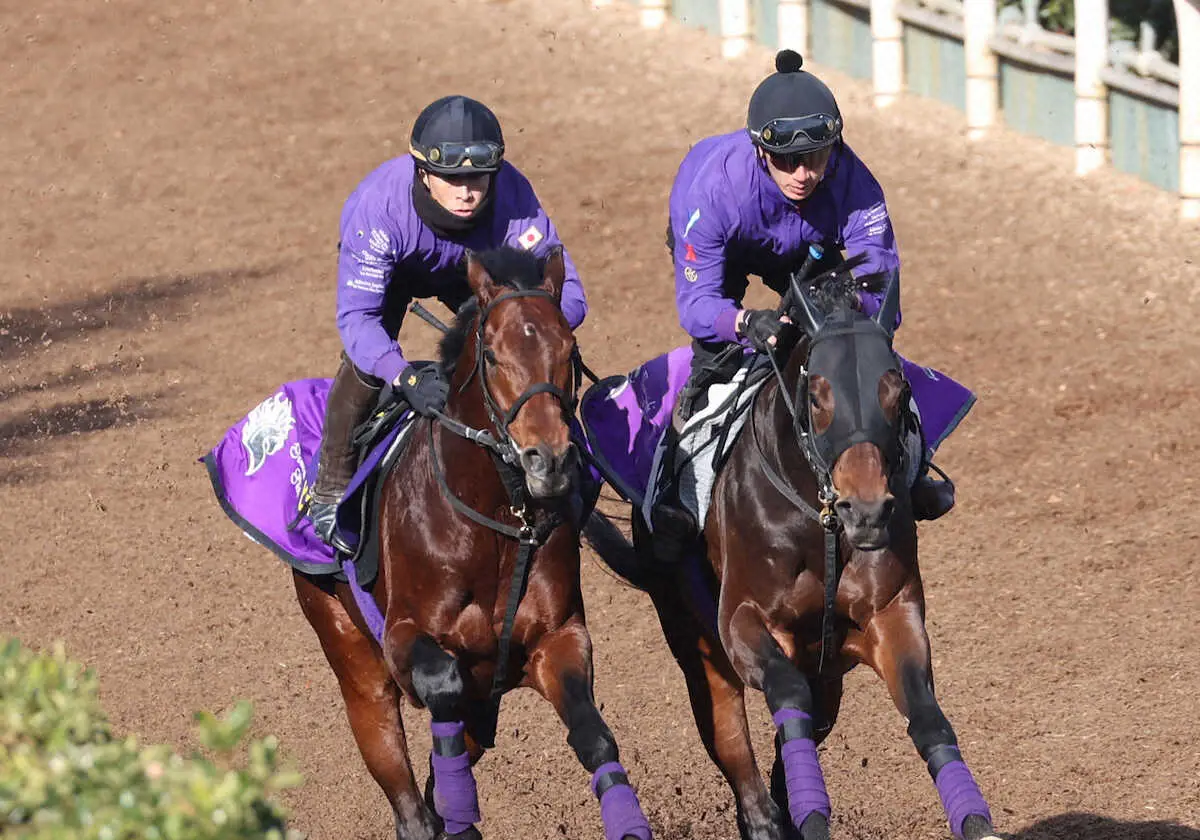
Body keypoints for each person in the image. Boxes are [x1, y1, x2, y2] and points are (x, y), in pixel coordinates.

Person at [652, 49, 956, 562]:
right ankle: (676, 496)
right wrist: (744, 322)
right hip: (730, 242)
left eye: (815, 157)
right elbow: (698, 304)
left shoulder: (856, 185)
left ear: (833, 148)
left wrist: (835, 322)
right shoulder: (712, 190)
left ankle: (911, 468)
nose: (802, 174)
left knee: (863, 355)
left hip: (811, 251)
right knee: (716, 361)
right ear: (759, 153)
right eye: (786, 161)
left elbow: (882, 300)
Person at [308, 95, 588, 553]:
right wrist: (404, 374)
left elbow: (569, 294)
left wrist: (529, 328)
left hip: (477, 269)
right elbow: (358, 320)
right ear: (423, 174)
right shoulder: (379, 212)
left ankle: (557, 462)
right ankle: (332, 483)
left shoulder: (515, 197)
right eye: (451, 179)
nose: (466, 193)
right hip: (398, 267)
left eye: (477, 178)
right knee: (365, 365)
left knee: (532, 349)